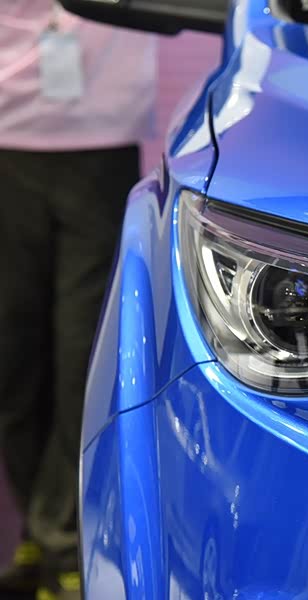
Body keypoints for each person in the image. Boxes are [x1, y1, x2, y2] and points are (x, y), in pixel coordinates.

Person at [0, 2, 156, 598]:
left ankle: (61, 535)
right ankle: (42, 522)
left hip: (101, 138)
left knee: (80, 355)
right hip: (6, 147)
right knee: (14, 361)